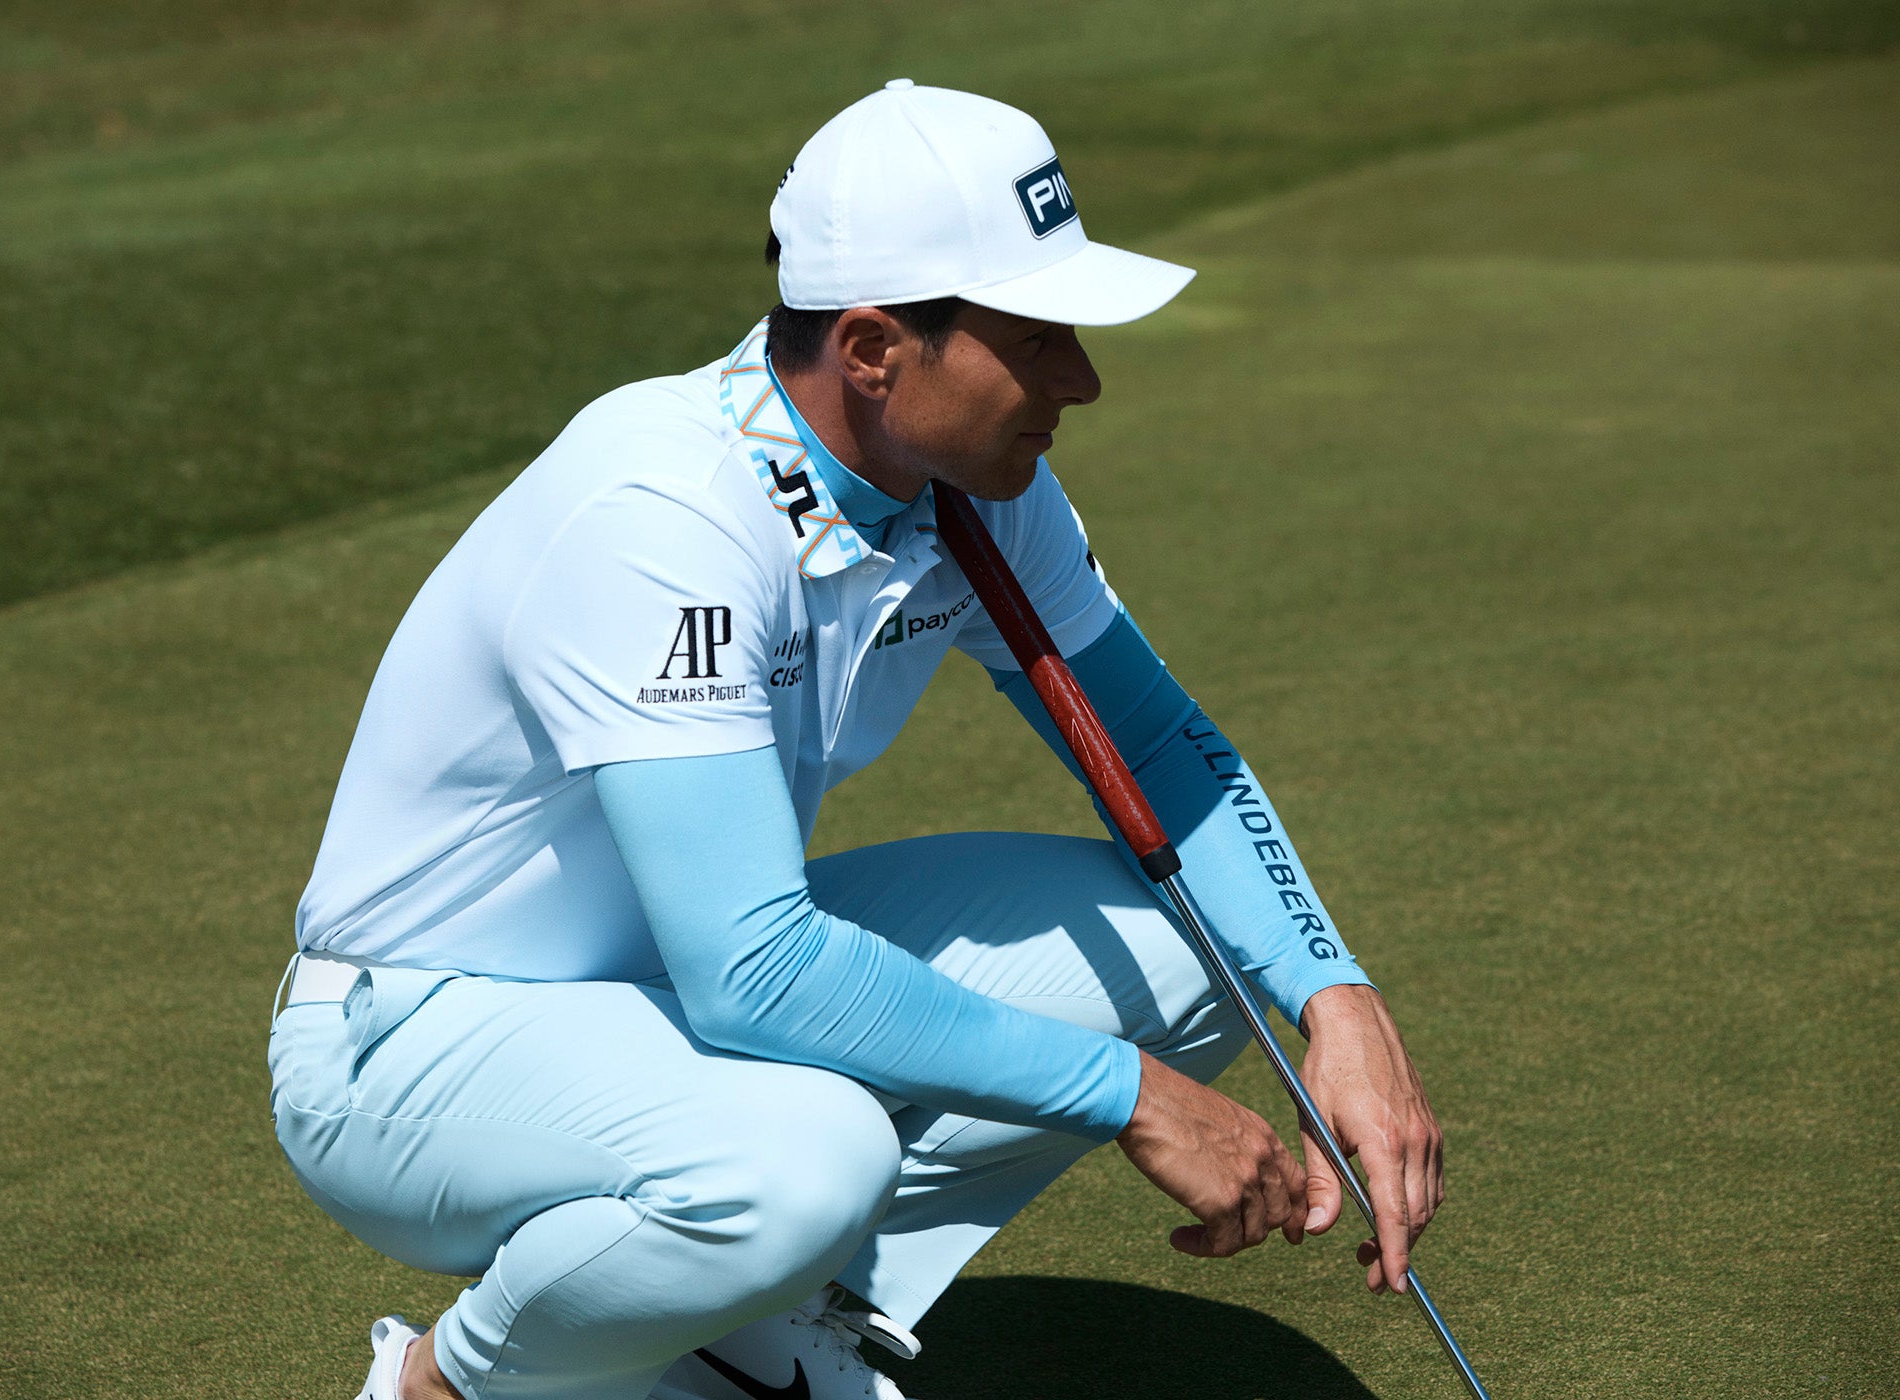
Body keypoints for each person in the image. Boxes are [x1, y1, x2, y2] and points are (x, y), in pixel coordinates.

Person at [269, 80, 1446, 1400]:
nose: (1083, 378)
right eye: (1037, 334)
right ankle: (447, 1385)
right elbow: (753, 974)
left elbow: (1161, 748)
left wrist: (1335, 1001)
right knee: (807, 1158)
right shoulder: (666, 514)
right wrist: (1132, 1095)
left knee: (1193, 953)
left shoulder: (974, 486)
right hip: (408, 1044)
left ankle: (755, 1332)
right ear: (877, 348)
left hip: (666, 991)